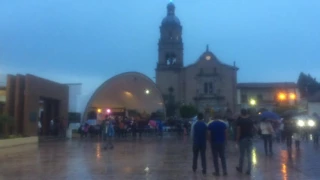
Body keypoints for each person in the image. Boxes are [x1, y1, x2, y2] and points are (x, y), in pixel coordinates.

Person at [236, 109, 254, 175]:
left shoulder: (240, 121)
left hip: (242, 139)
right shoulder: (250, 120)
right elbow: (253, 129)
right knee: (249, 155)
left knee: (242, 155)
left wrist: (237, 140)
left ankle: (240, 168)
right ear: (246, 113)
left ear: (241, 113)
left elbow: (238, 131)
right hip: (250, 138)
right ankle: (249, 170)